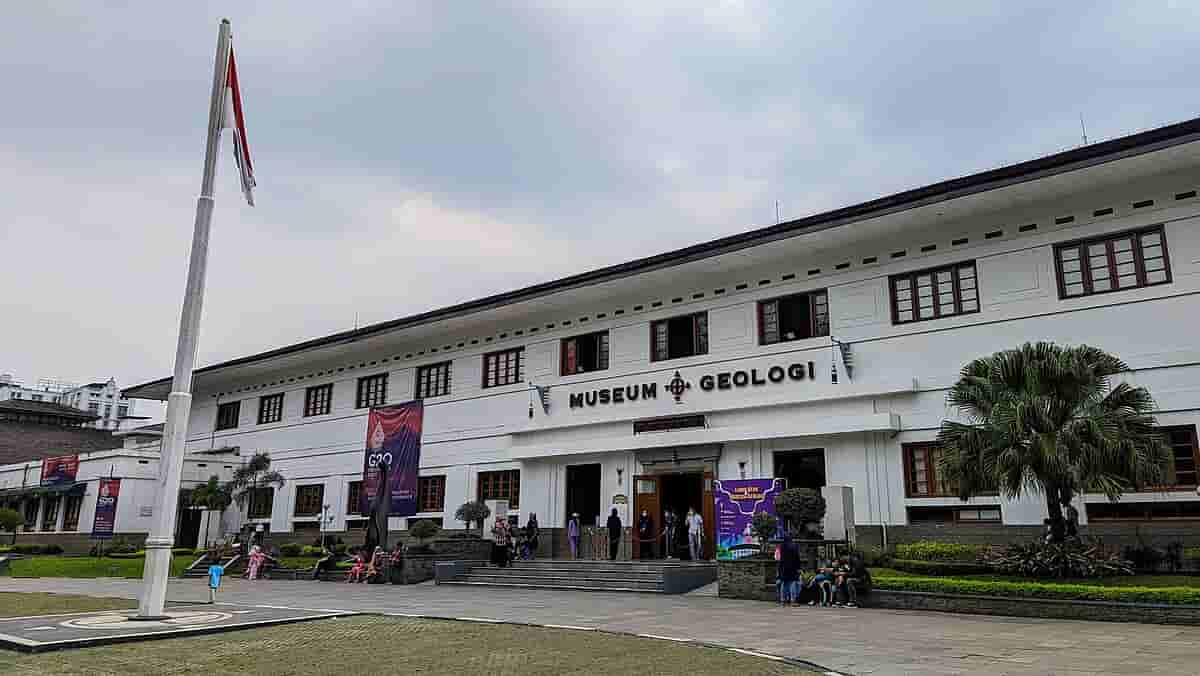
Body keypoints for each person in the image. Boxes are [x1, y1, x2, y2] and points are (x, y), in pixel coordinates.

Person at [777, 534, 802, 606]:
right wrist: (799, 567)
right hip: (792, 567)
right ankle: (793, 600)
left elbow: (780, 558)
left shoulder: (782, 546)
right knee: (792, 583)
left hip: (783, 567)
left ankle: (783, 600)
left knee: (784, 583)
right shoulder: (793, 546)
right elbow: (797, 558)